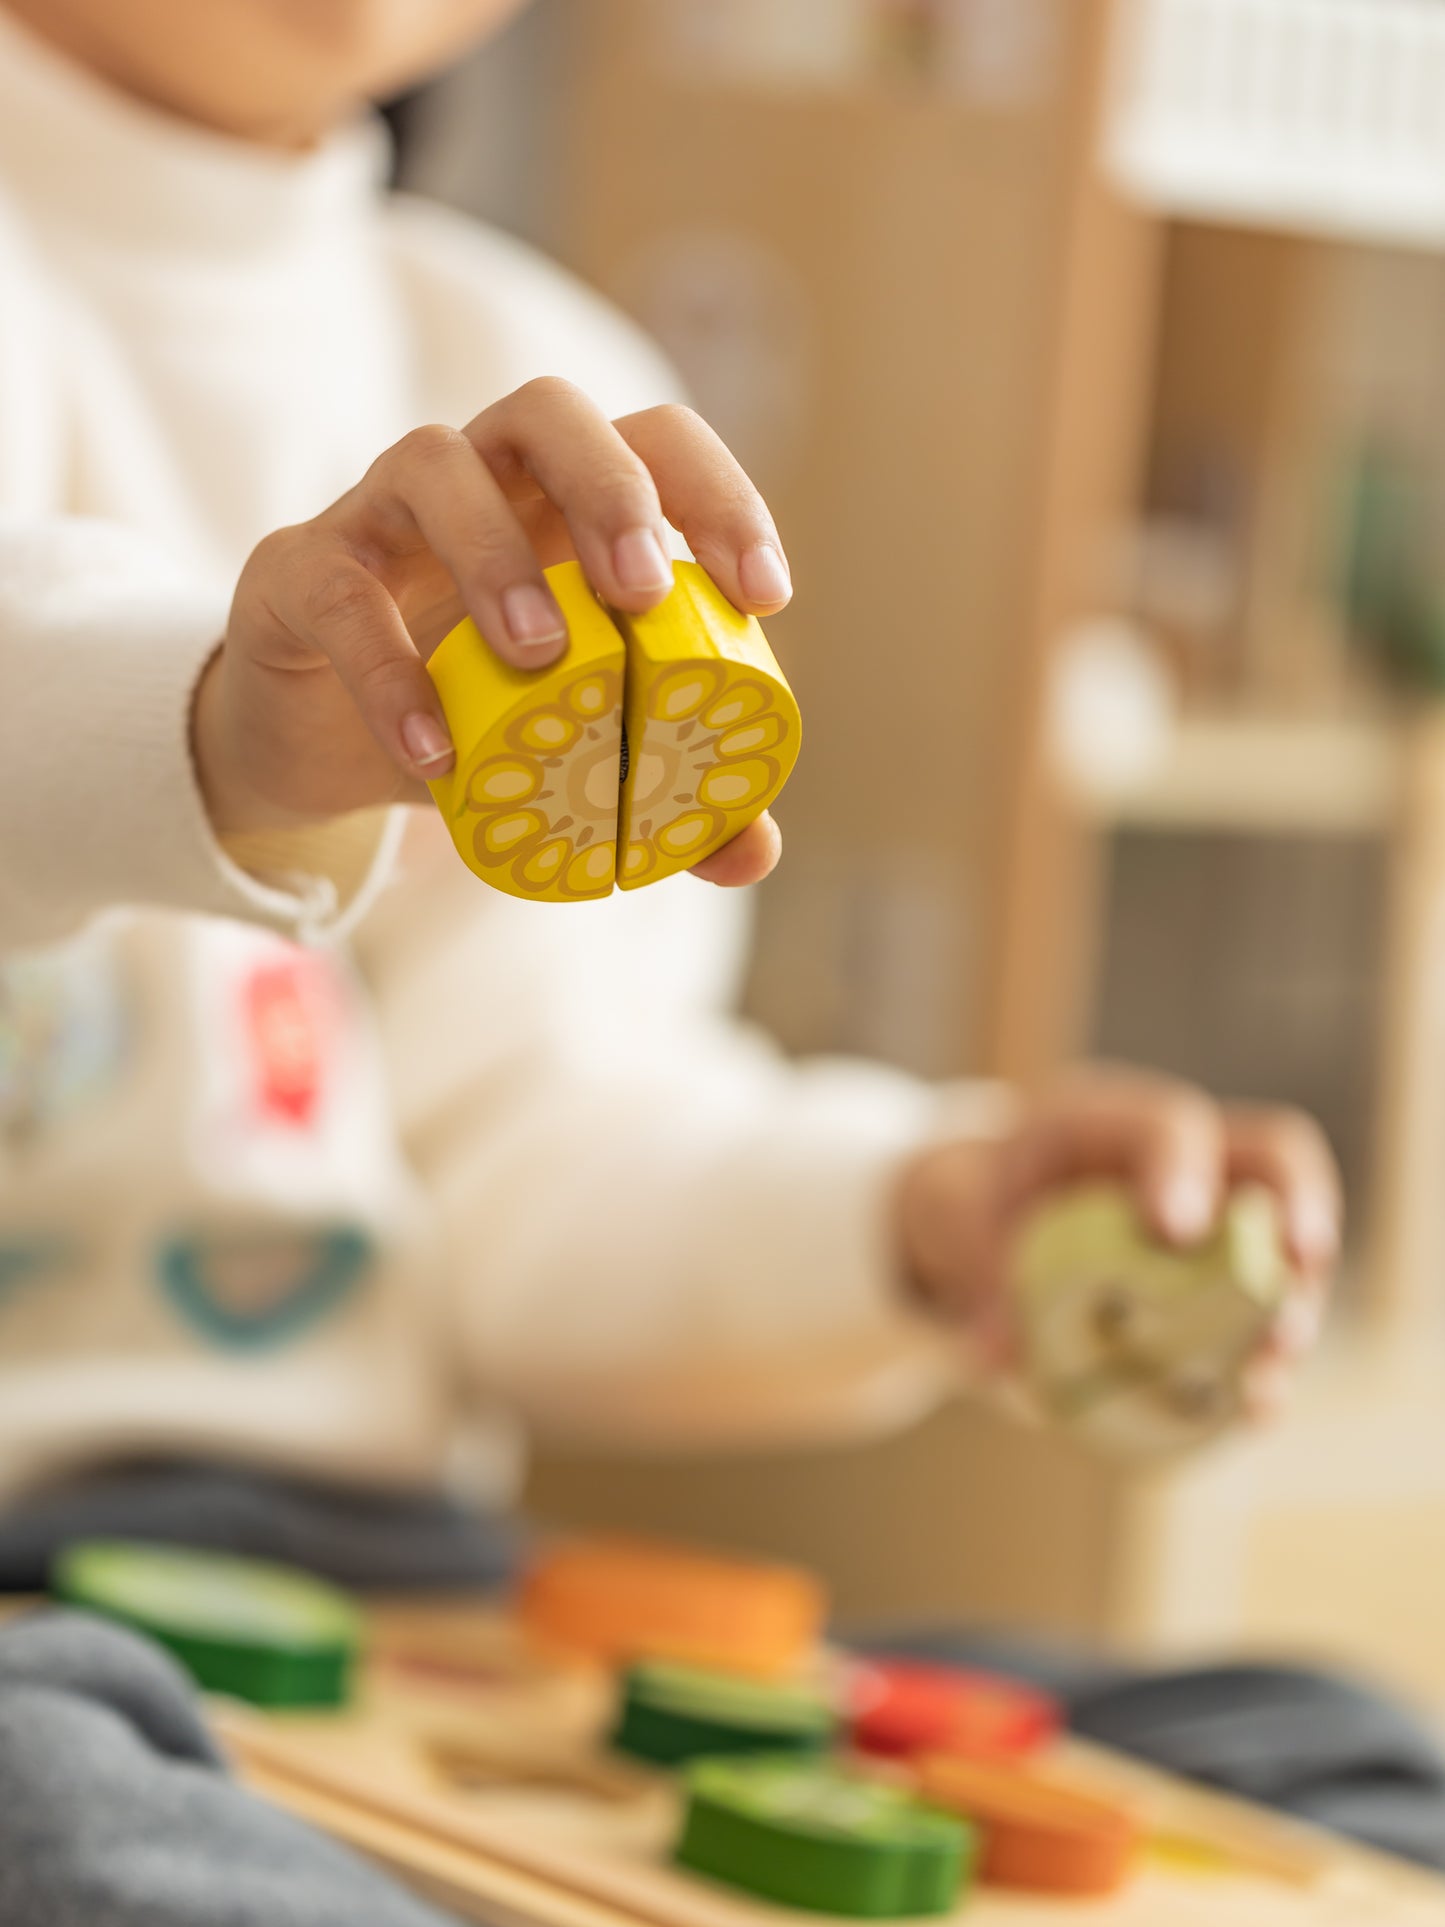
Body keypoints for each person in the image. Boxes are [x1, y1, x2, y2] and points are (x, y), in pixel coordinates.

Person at [0, 2, 1344, 1919]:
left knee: (1321, 1753)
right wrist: (226, 730)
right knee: (52, 1805)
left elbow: (544, 1153)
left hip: (376, 1574)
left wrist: (918, 1208)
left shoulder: (513, 374)